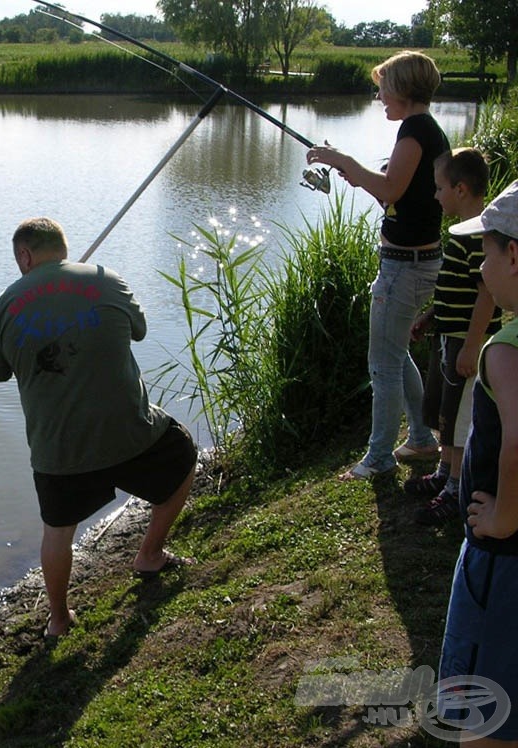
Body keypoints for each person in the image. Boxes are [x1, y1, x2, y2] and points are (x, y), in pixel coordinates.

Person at [0, 217, 197, 638]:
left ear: (24, 256)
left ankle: (59, 620)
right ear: (62, 247)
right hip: (132, 436)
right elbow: (140, 330)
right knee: (184, 456)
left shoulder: (6, 304)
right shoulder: (106, 279)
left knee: (58, 532)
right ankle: (150, 554)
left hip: (59, 453)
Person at [306, 51, 450, 481]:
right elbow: (395, 197)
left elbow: (389, 187)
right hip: (418, 260)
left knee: (382, 363)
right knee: (395, 352)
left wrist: (341, 162)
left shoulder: (414, 130)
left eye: (384, 86)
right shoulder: (427, 130)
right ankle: (422, 438)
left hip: (405, 267)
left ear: (403, 89)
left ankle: (380, 457)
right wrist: (356, 173)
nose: (379, 95)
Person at [437, 180, 518, 745]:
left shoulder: (506, 349)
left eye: (485, 253)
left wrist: (505, 517)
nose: (480, 267)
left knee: (484, 716)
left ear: (513, 255)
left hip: (502, 558)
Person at [408, 148, 502, 525]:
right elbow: (457, 288)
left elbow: (487, 293)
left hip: (466, 342)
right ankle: (445, 471)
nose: (435, 196)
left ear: (460, 190)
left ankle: (456, 489)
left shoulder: (477, 236)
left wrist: (472, 345)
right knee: (446, 411)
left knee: (462, 417)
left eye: (439, 188)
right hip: (450, 337)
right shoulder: (462, 233)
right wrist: (432, 315)